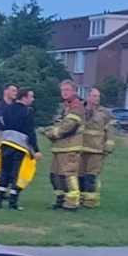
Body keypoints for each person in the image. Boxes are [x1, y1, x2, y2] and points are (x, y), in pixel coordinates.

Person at [0, 88, 41, 210]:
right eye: (31, 96)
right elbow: (30, 132)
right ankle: (13, 202)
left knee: (4, 172)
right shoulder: (28, 111)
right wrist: (36, 149)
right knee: (16, 174)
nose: (33, 99)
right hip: (20, 146)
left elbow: (1, 123)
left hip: (5, 143)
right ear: (24, 97)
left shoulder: (7, 108)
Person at [41, 80, 85, 211]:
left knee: (68, 176)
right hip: (60, 148)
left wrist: (49, 133)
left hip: (70, 148)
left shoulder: (76, 107)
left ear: (74, 91)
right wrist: (48, 129)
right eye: (63, 90)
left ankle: (72, 203)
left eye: (67, 90)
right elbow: (58, 124)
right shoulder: (65, 107)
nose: (64, 92)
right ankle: (60, 200)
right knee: (55, 175)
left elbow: (67, 128)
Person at [79, 88, 115, 208]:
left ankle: (90, 202)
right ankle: (80, 199)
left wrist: (108, 147)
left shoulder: (105, 113)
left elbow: (110, 132)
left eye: (98, 96)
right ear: (88, 97)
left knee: (91, 175)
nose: (97, 98)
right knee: (80, 175)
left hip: (96, 150)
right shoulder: (79, 110)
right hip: (80, 148)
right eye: (94, 96)